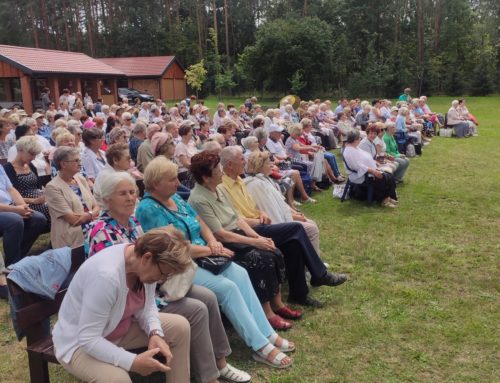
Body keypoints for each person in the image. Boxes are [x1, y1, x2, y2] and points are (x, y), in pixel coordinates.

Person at [86, 171, 250, 383]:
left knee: (207, 297)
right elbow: (117, 280)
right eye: (122, 194)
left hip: (153, 286)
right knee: (196, 309)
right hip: (131, 303)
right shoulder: (101, 230)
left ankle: (220, 362)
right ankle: (209, 377)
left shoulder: (132, 222)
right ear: (107, 199)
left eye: (132, 192)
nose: (129, 198)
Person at [136, 156, 294, 368]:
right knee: (227, 288)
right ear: (156, 183)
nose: (178, 183)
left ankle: (267, 332)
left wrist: (210, 239)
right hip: (180, 266)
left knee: (240, 274)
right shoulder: (148, 209)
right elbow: (169, 248)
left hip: (205, 256)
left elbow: (198, 220)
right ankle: (260, 346)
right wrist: (209, 248)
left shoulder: (175, 198)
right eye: (172, 179)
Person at [52, 228, 192, 383]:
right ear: (147, 258)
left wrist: (155, 332)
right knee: (118, 380)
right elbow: (88, 339)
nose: (163, 279)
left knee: (180, 327)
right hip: (77, 343)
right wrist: (133, 362)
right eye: (163, 274)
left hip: (115, 328)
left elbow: (147, 304)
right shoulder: (106, 277)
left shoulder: (142, 263)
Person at [218, 146, 347, 307]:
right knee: (296, 229)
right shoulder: (222, 187)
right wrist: (259, 220)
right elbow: (236, 219)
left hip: (259, 223)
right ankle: (319, 274)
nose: (244, 160)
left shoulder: (239, 180)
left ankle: (299, 294)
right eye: (241, 159)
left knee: (293, 244)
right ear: (229, 164)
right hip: (247, 231)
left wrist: (261, 213)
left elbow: (252, 207)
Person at [45, 146, 99, 248]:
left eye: (80, 160)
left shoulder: (80, 178)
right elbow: (73, 220)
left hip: (92, 224)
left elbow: (96, 206)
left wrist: (89, 214)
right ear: (63, 164)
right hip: (72, 233)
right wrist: (92, 214)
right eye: (76, 160)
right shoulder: (52, 187)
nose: (80, 163)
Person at [0, 164, 47, 267]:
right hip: (4, 210)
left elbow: (11, 189)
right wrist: (15, 210)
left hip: (8, 207)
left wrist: (23, 207)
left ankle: (18, 257)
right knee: (15, 220)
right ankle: (12, 264)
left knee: (38, 219)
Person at [343, 130, 398, 207]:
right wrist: (373, 171)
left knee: (389, 175)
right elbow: (357, 166)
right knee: (386, 177)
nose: (360, 140)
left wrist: (374, 164)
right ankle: (384, 200)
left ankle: (388, 197)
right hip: (361, 175)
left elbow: (363, 158)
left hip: (367, 171)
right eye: (359, 138)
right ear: (355, 139)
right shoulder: (350, 151)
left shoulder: (354, 147)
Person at [3, 136, 50, 223]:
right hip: (24, 204)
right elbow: (9, 196)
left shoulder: (30, 165)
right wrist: (34, 201)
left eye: (35, 154)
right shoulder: (8, 169)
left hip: (40, 200)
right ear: (20, 150)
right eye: (31, 154)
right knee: (52, 207)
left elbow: (38, 187)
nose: (34, 158)